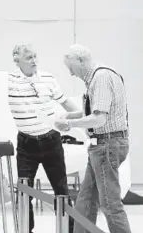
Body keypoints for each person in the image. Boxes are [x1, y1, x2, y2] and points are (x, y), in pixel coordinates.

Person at [56, 44, 131, 233]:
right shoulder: (99, 77)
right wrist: (71, 116)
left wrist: (70, 125)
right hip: (102, 146)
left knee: (110, 206)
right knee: (85, 203)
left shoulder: (101, 78)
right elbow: (96, 110)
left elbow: (99, 118)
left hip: (106, 146)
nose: (71, 73)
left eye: (70, 67)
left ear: (81, 60)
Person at [8, 44, 78, 233]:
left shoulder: (48, 78)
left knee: (61, 190)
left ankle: (69, 230)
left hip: (51, 141)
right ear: (17, 60)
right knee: (23, 193)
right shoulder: (8, 80)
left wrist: (84, 121)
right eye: (29, 57)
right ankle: (25, 230)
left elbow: (65, 102)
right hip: (26, 144)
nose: (34, 61)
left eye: (35, 56)